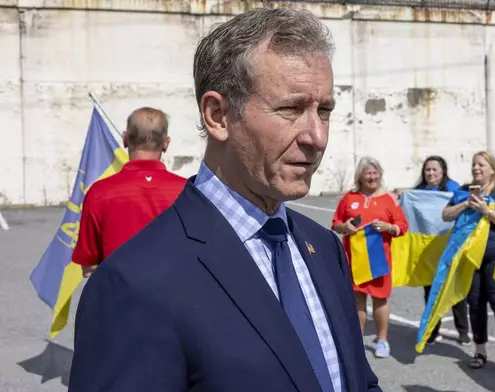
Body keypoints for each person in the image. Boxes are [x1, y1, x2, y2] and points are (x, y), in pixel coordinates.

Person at [69, 8, 381, 392]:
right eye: (291, 109)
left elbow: (359, 382)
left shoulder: (325, 249)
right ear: (218, 115)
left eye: (325, 110)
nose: (316, 136)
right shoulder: (132, 285)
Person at [72, 107, 186, 278]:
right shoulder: (188, 192)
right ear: (166, 143)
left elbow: (88, 267)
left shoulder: (99, 193)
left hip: (117, 299)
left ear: (125, 139)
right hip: (174, 299)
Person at [441, 151, 495, 369]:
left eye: (481, 165)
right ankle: (480, 350)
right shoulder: (464, 191)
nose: (476, 168)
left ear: (492, 168)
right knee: (475, 304)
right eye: (474, 165)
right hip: (470, 257)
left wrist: (486, 210)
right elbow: (445, 215)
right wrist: (466, 204)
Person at [331, 156, 409, 359]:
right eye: (368, 173)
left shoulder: (388, 199)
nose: (372, 177)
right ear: (360, 176)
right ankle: (357, 342)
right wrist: (344, 227)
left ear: (380, 174)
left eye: (375, 173)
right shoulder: (349, 197)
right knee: (358, 301)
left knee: (380, 300)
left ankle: (382, 340)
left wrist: (388, 227)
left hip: (379, 260)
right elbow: (336, 223)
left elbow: (403, 226)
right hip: (355, 260)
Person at [414, 156, 470, 345]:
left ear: (443, 171)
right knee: (430, 291)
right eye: (427, 170)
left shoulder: (454, 189)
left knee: (454, 291)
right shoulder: (419, 192)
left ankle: (463, 331)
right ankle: (432, 330)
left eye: (434, 170)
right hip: (429, 250)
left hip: (450, 245)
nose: (430, 173)